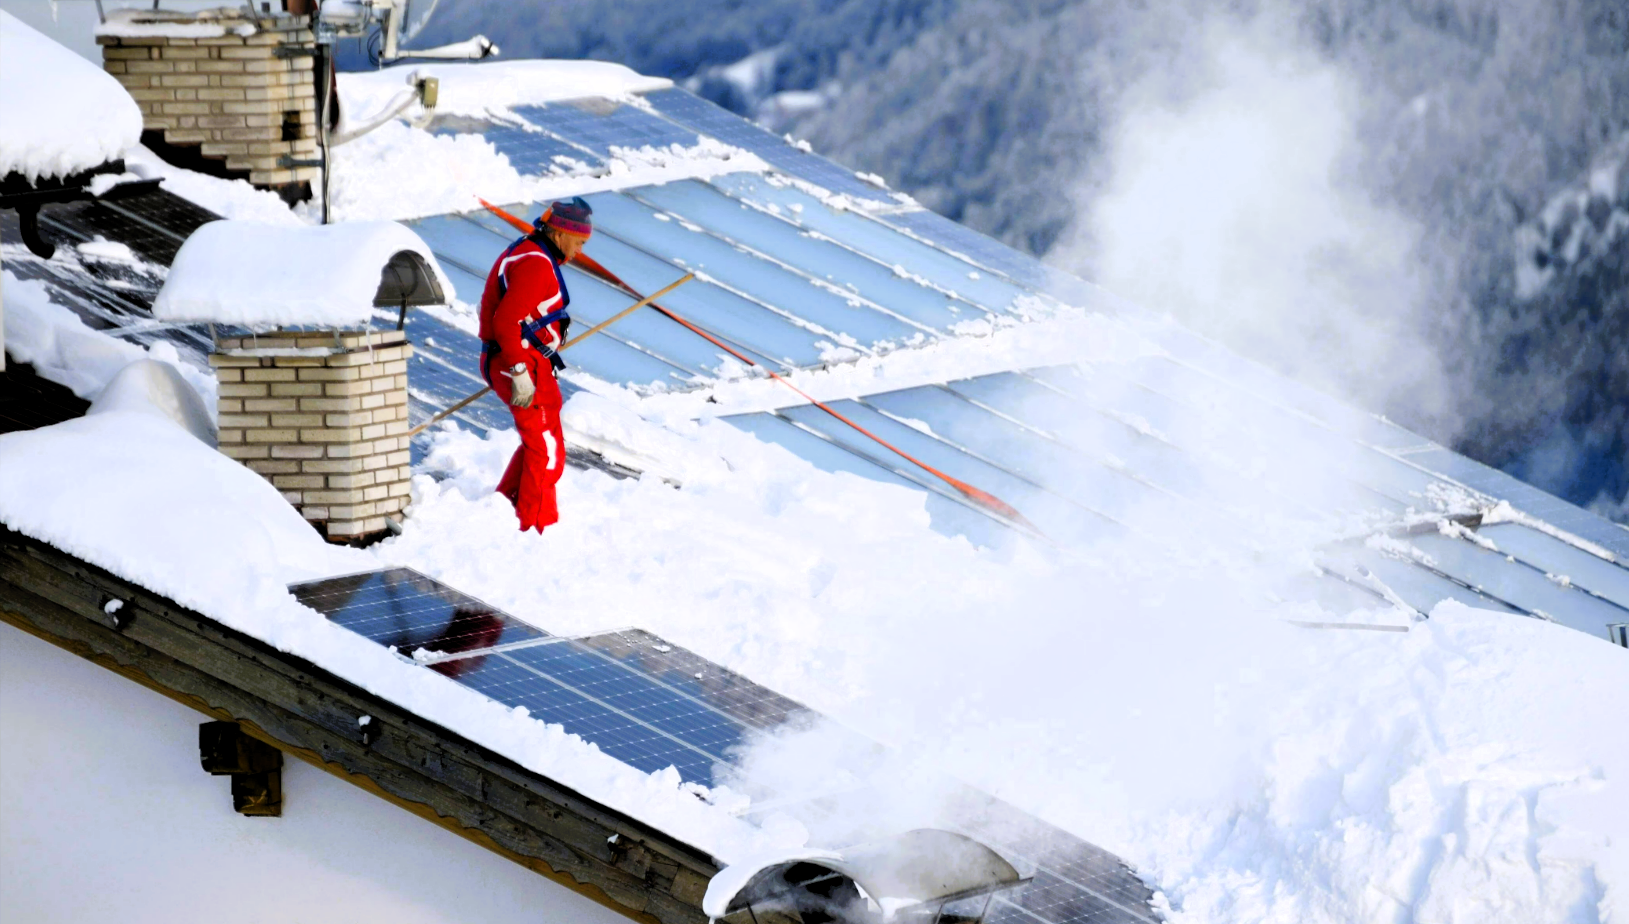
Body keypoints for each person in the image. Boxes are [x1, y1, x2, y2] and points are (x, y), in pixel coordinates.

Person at [476, 196, 593, 532]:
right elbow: (506, 322)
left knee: (545, 439)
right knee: (545, 451)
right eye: (579, 242)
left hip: (530, 362)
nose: (579, 251)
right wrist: (519, 372)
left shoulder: (532, 251)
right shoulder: (536, 265)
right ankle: (535, 528)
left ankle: (507, 503)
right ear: (560, 233)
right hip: (516, 363)